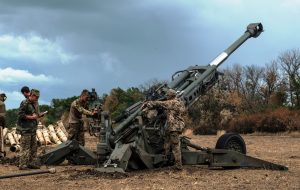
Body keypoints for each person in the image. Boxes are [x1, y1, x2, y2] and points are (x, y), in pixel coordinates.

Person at [142, 89, 186, 170]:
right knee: (166, 145)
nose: (167, 97)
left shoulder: (174, 102)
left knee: (175, 146)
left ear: (172, 96)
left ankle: (178, 166)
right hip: (170, 127)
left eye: (168, 96)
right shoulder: (176, 102)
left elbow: (161, 103)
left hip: (174, 128)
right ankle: (164, 162)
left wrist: (149, 103)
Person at [17, 89, 43, 170]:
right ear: (32, 95)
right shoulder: (24, 103)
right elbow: (20, 115)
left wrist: (39, 115)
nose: (37, 99)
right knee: (25, 148)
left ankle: (31, 163)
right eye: (36, 97)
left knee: (33, 147)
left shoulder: (34, 103)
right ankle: (23, 165)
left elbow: (35, 114)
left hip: (32, 129)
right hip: (25, 129)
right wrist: (31, 117)